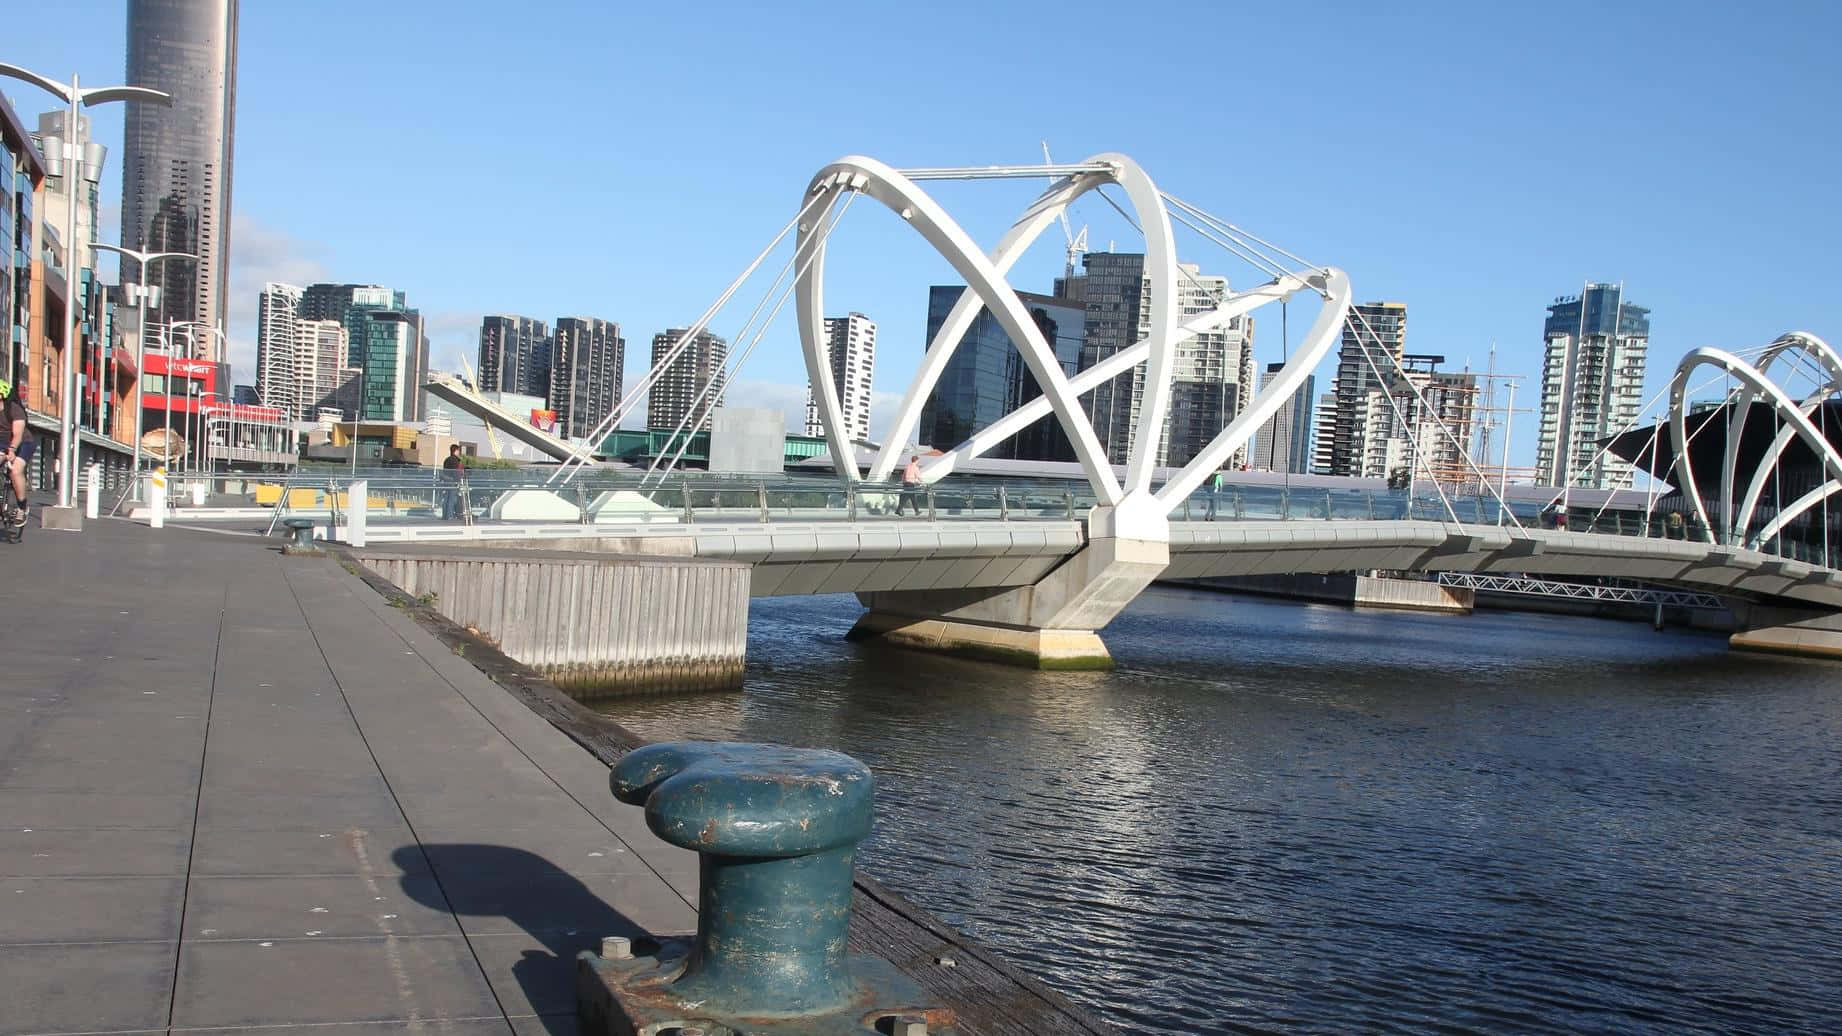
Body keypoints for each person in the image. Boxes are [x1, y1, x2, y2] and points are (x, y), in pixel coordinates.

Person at [0, 376, 33, 526]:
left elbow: (18, 434)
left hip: (23, 443)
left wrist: (12, 450)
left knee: (16, 470)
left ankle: (22, 507)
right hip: (2, 443)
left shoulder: (14, 408)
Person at [440, 444, 466, 520]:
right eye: (458, 451)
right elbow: (456, 473)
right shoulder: (455, 460)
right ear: (456, 451)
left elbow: (445, 471)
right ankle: (449, 516)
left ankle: (445, 516)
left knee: (446, 499)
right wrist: (458, 482)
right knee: (451, 500)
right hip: (453, 482)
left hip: (446, 481)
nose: (459, 452)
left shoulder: (446, 460)